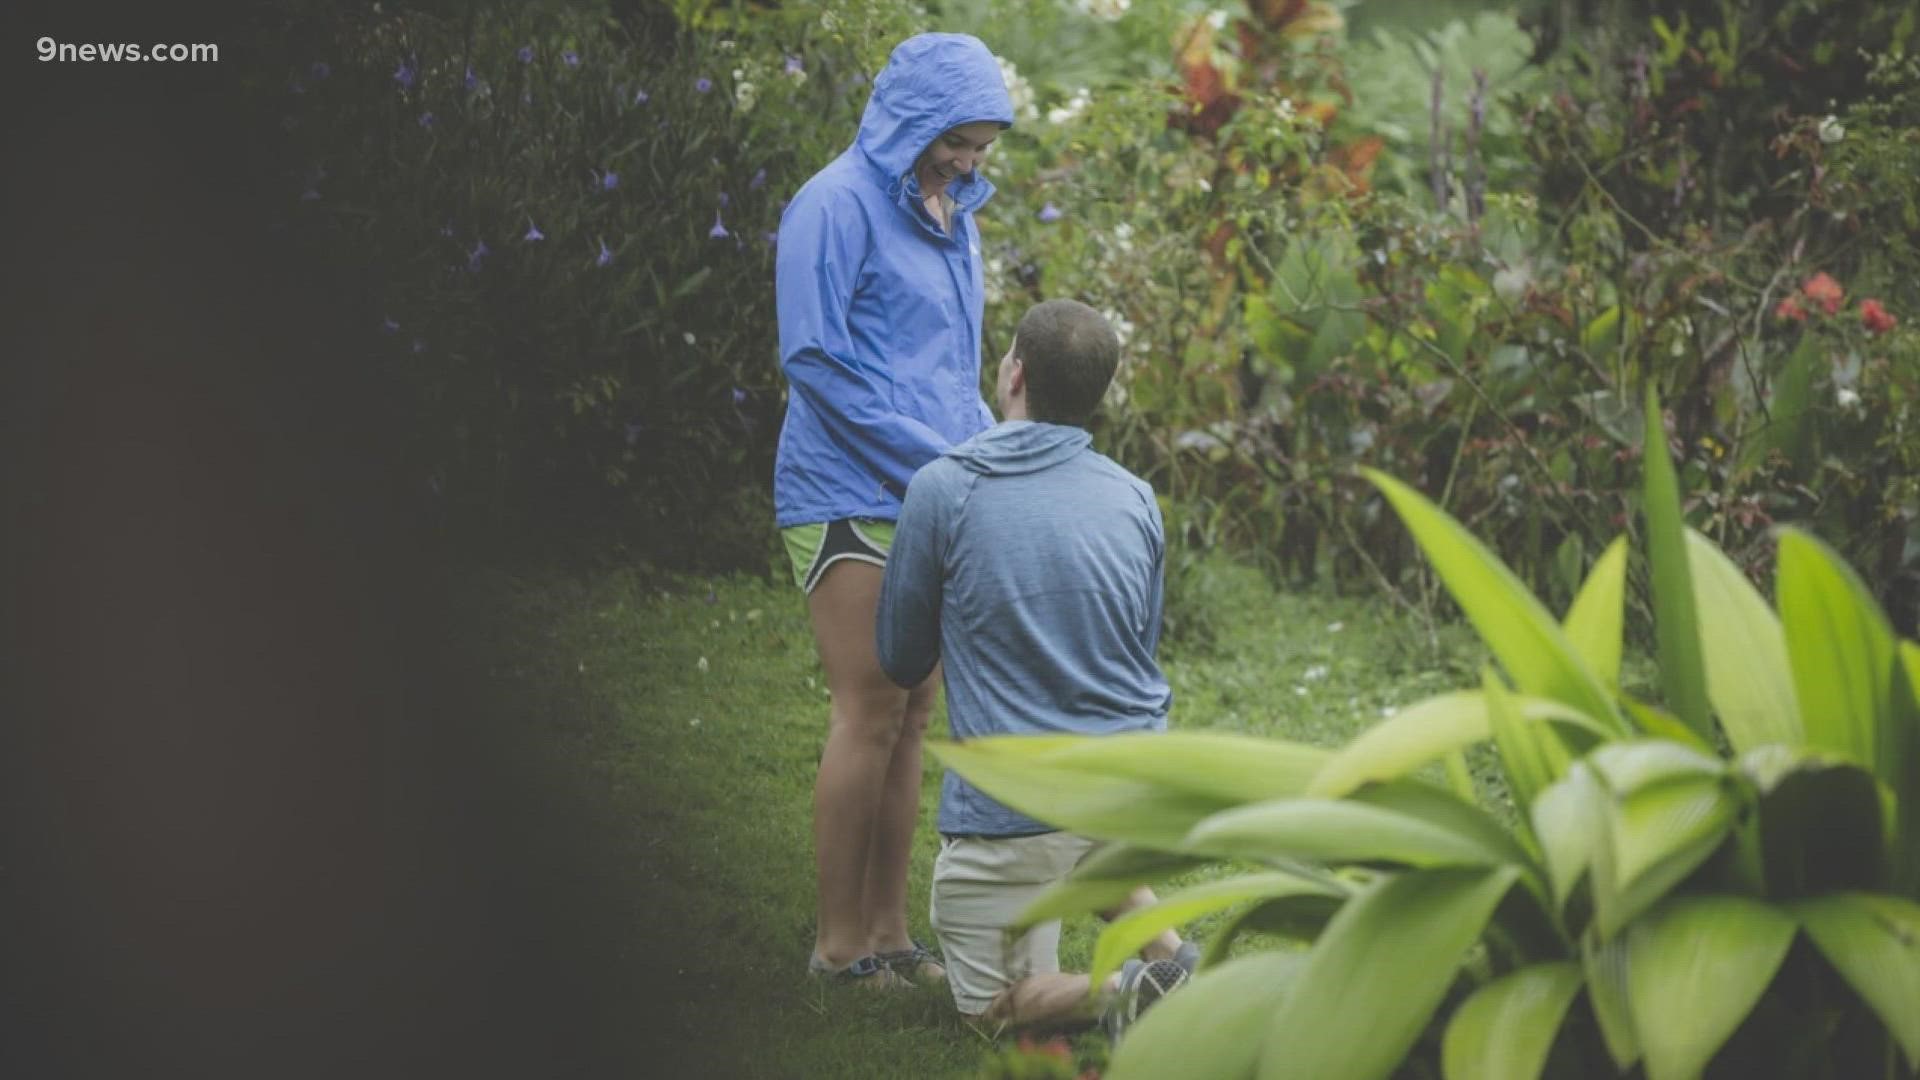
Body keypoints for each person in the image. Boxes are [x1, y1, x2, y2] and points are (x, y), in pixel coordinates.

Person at [875, 299, 1196, 1035]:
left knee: (997, 1014)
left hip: (1016, 816)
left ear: (1014, 371)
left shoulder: (944, 487)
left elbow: (899, 659)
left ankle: (1135, 989)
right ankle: (1187, 966)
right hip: (1130, 788)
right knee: (1092, 845)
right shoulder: (1135, 497)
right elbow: (1135, 649)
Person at [773, 32, 1014, 987]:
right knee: (868, 707)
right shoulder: (831, 205)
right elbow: (816, 363)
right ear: (912, 117)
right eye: (956, 138)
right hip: (847, 492)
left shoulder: (951, 213)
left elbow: (950, 371)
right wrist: (945, 460)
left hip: (935, 487)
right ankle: (838, 948)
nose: (966, 160)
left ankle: (889, 935)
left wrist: (994, 450)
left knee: (914, 711)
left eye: (983, 145)